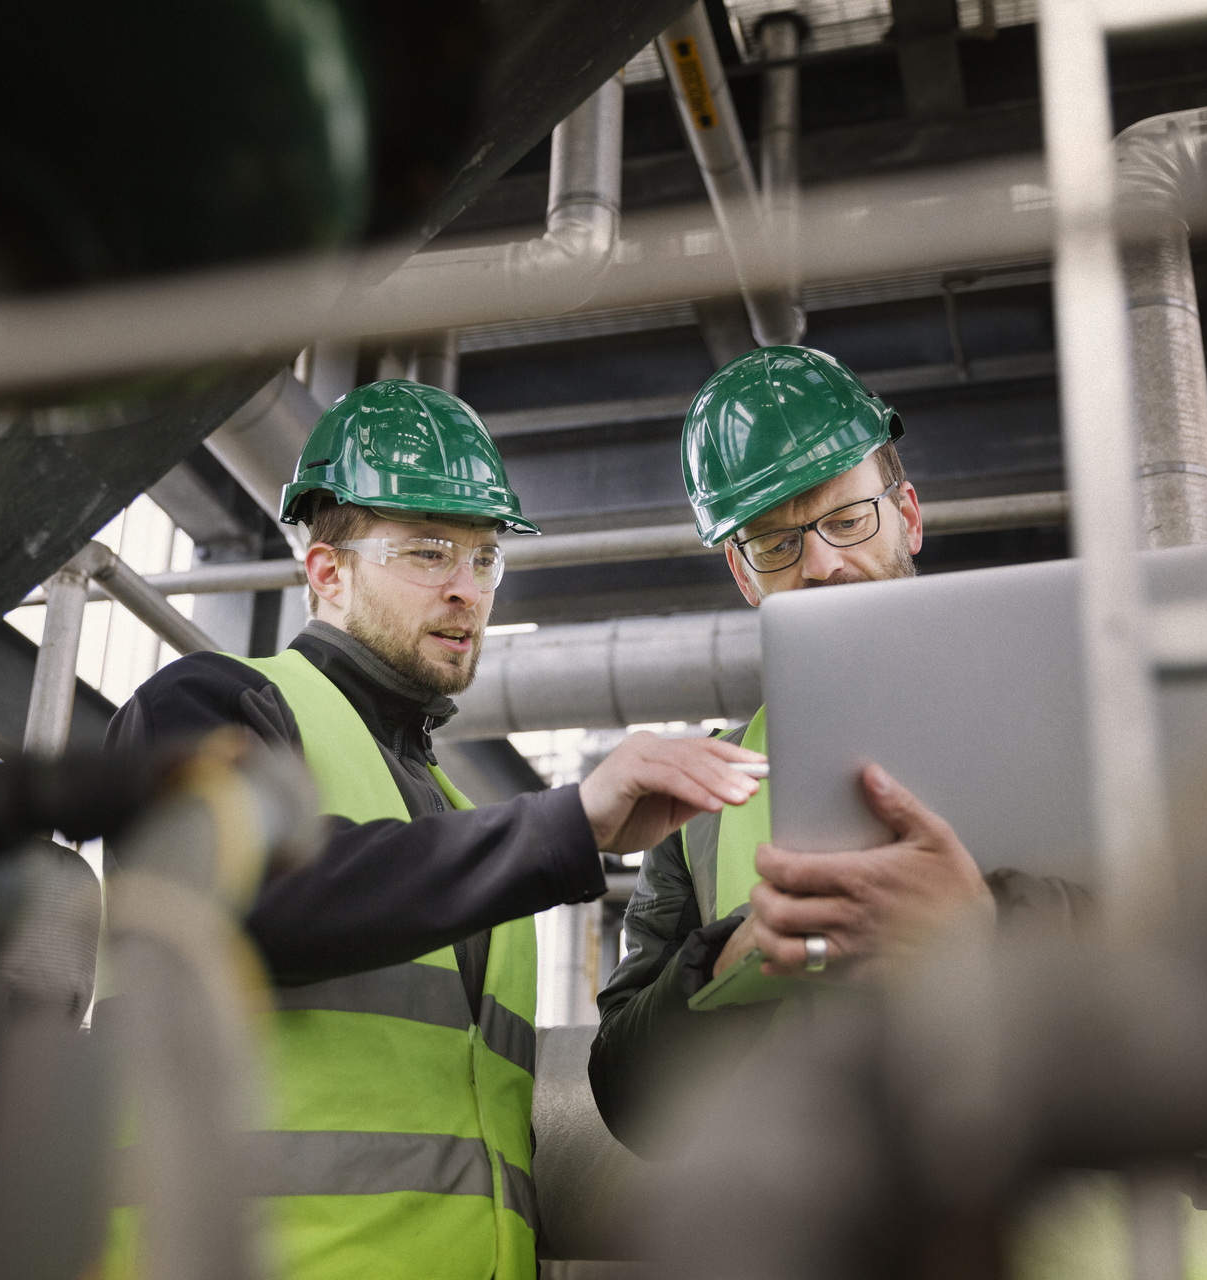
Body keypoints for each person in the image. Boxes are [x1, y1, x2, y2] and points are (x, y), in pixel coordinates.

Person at [106, 378, 764, 1280]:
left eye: (485, 559)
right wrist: (565, 825)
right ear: (326, 572)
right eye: (426, 553)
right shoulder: (209, 703)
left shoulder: (462, 824)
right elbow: (256, 900)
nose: (466, 591)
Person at [588, 346, 1093, 1152]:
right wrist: (724, 965)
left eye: (846, 518)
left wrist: (987, 927)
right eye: (776, 545)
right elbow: (628, 1099)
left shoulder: (1087, 710)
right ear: (744, 575)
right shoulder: (705, 799)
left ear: (910, 516)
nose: (822, 565)